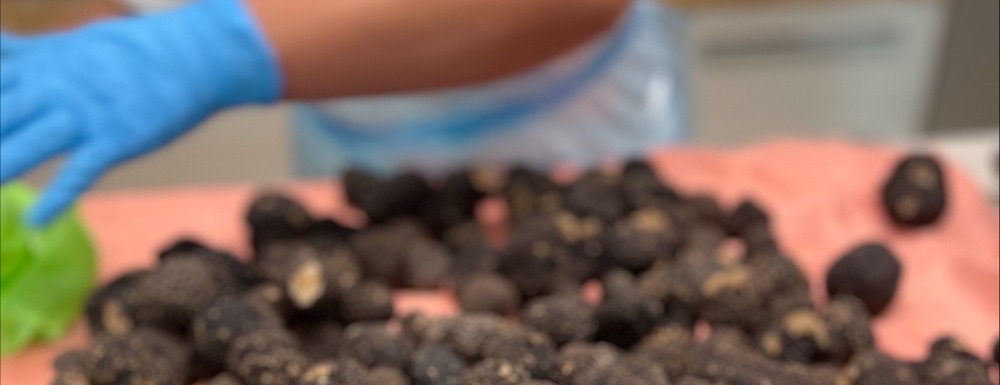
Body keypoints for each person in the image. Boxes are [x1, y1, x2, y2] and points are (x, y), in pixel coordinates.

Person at [0, 0, 688, 226]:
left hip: (573, 136)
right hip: (354, 151)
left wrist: (212, 48)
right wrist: (68, 64)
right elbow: (127, 19)